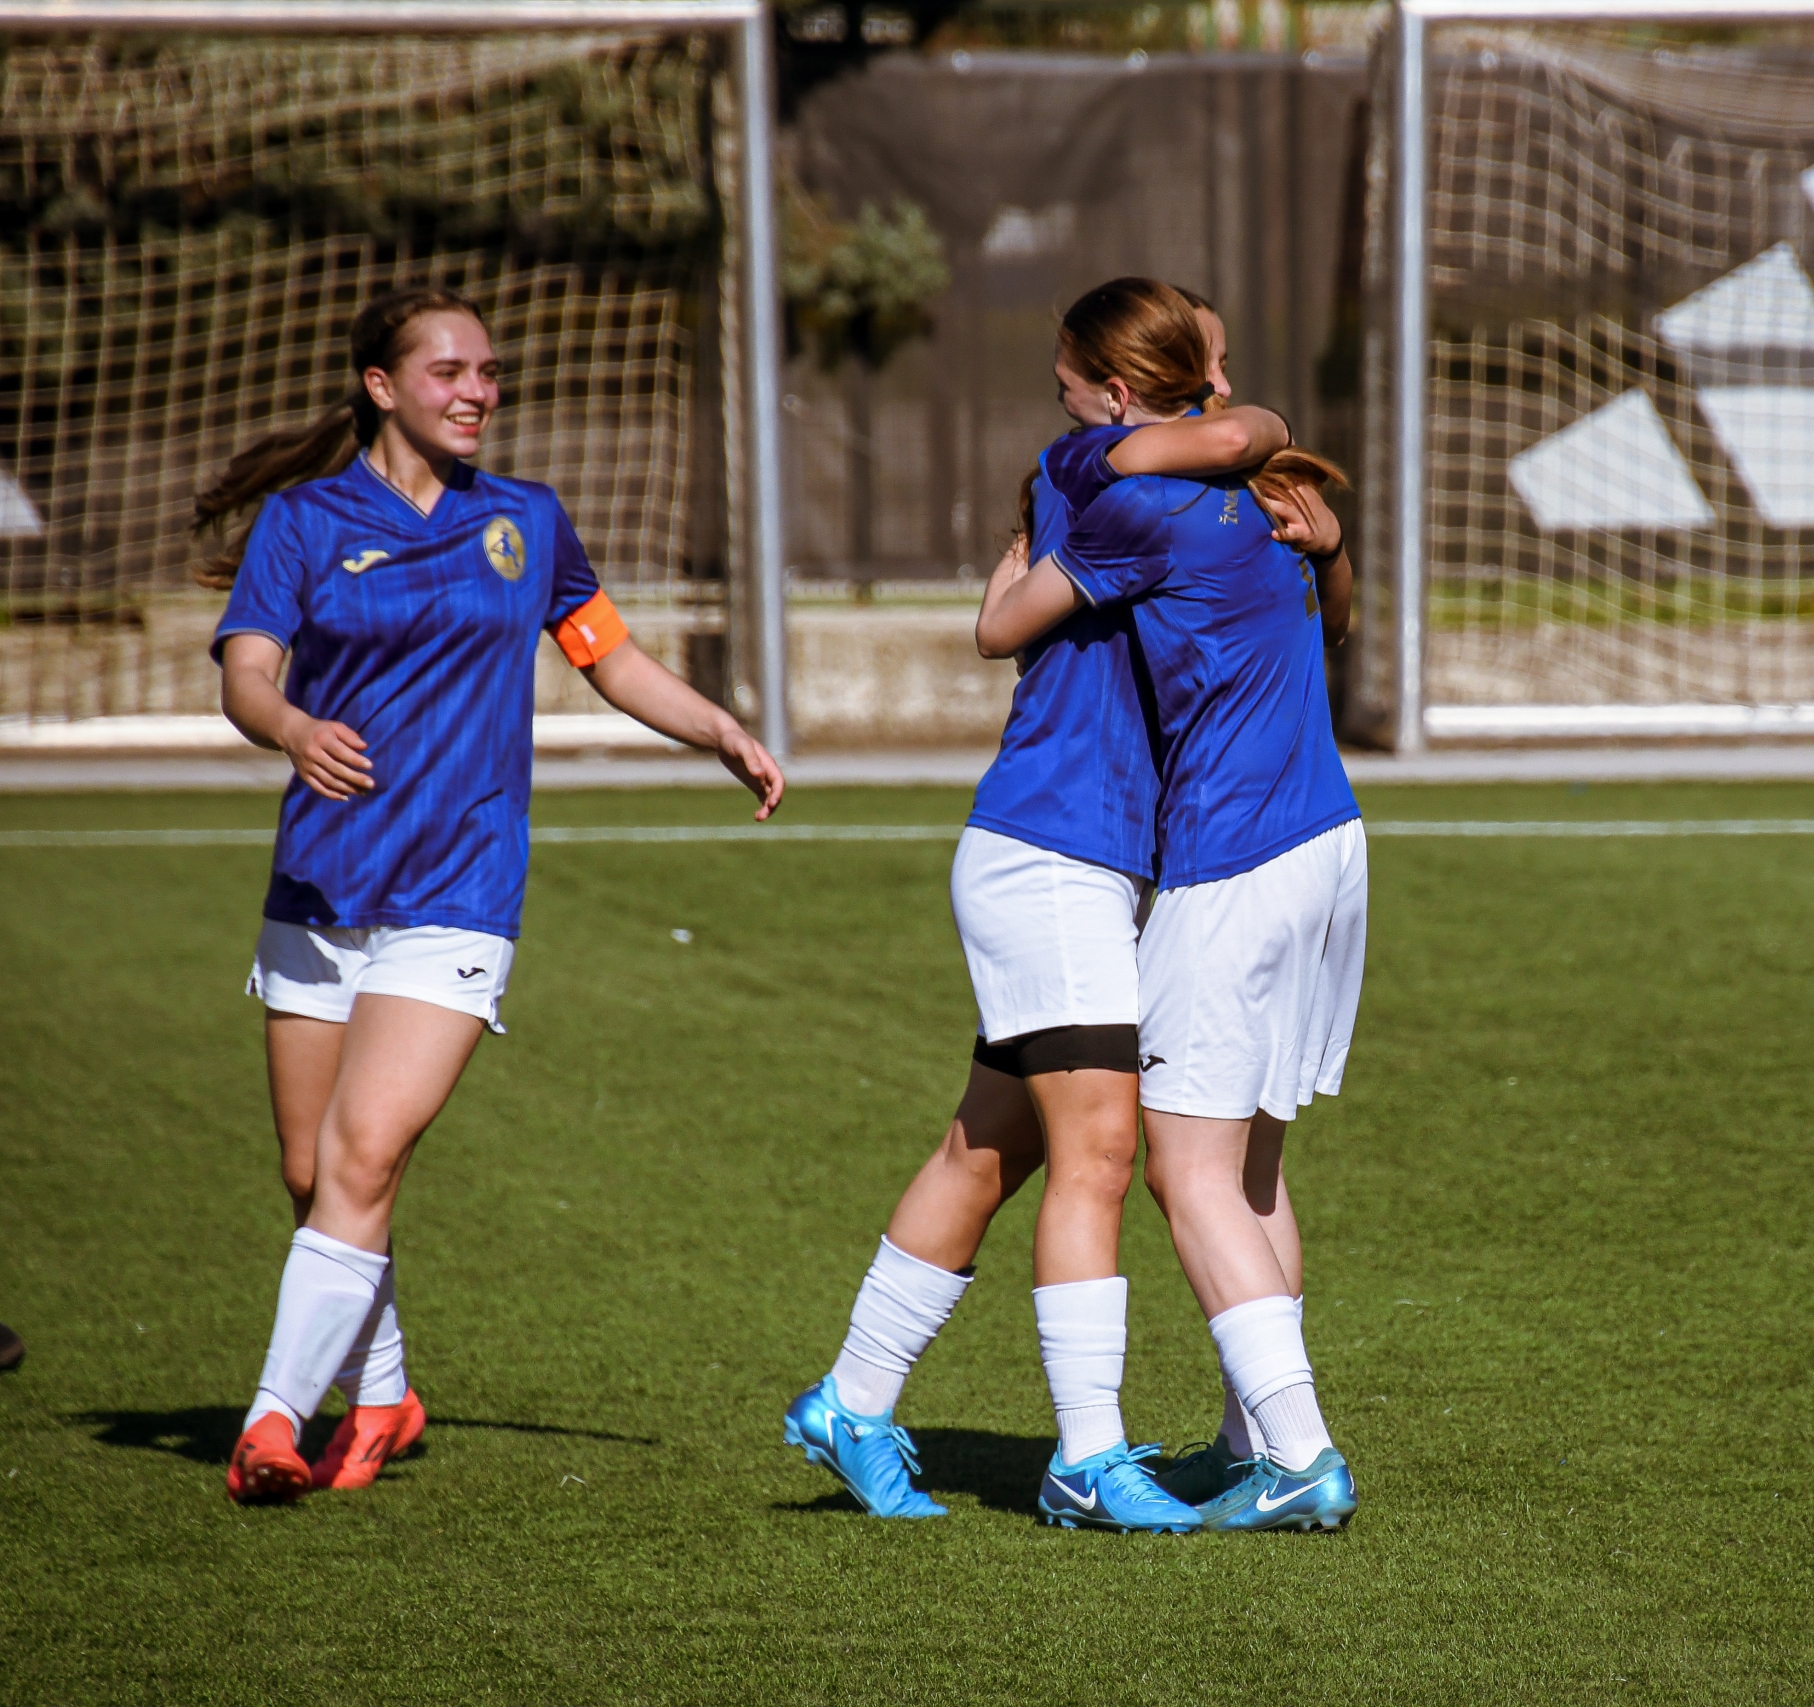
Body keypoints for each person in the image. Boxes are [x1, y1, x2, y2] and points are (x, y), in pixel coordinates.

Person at [202, 285, 783, 1503]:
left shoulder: (526, 520)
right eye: (449, 371)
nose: (477, 392)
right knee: (314, 1178)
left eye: (489, 371)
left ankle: (271, 1423)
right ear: (382, 387)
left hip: (459, 890)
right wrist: (292, 727)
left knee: (364, 1153)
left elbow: (608, 653)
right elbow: (248, 674)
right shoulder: (303, 522)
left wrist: (718, 728)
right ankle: (384, 1393)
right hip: (318, 887)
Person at [782, 281, 1324, 1530]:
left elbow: (1240, 442)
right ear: (1134, 396)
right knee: (1103, 1152)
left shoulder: (1172, 486)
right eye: (1207, 365)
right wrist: (1245, 430)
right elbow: (1230, 434)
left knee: (988, 1149)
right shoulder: (1095, 466)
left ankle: (850, 1402)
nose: (1225, 388)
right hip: (1050, 853)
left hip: (1092, 860)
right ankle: (1088, 1455)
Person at [976, 286, 1363, 1532]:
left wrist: (1026, 540)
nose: (1062, 408)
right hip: (1331, 841)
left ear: (1114, 393)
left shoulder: (1123, 494)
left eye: (1067, 388)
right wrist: (1325, 541)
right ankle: (1250, 1449)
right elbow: (1336, 622)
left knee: (1184, 1172)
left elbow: (1000, 629)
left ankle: (1299, 1452)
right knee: (1249, 1163)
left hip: (1233, 855)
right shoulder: (1276, 486)